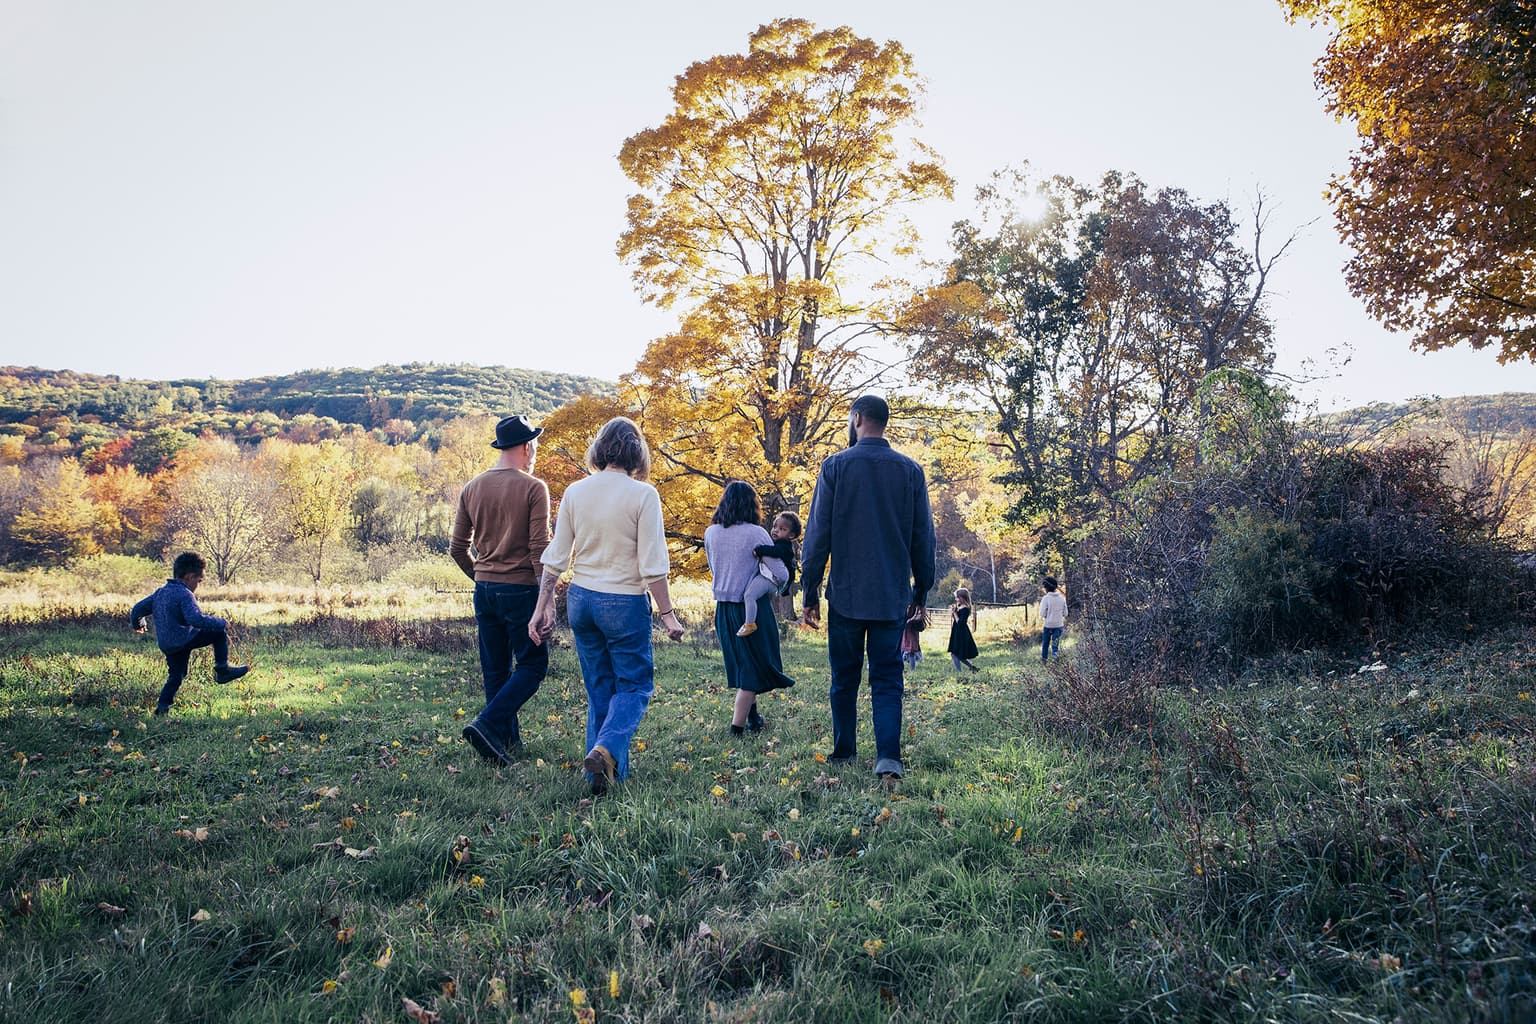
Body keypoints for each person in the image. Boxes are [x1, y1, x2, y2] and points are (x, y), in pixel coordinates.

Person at [528, 417, 684, 796]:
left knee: (600, 688)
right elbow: (652, 564)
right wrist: (667, 614)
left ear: (600, 449)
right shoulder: (643, 495)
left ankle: (603, 775)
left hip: (581, 599)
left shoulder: (576, 492)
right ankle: (606, 749)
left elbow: (556, 557)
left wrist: (542, 605)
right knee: (634, 687)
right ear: (637, 452)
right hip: (624, 602)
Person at [800, 394, 936, 787]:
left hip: (845, 593)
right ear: (883, 422)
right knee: (888, 678)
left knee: (844, 676)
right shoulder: (911, 472)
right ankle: (888, 759)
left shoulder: (835, 467)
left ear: (857, 419)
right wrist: (920, 591)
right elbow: (923, 540)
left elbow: (817, 535)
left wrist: (809, 591)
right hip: (891, 596)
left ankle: (844, 750)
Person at [452, 414, 551, 766]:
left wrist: (481, 575)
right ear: (526, 447)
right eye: (534, 445)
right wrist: (546, 598)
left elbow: (457, 548)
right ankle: (489, 724)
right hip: (521, 589)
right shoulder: (533, 487)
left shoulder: (471, 487)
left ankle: (504, 743)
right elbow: (540, 550)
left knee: (495, 670)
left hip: (485, 590)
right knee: (533, 665)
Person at [704, 482, 797, 735]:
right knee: (753, 668)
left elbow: (714, 569)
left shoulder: (711, 532)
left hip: (723, 609)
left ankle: (754, 718)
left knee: (744, 664)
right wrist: (778, 587)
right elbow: (779, 573)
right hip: (751, 610)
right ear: (751, 504)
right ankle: (737, 728)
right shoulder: (757, 533)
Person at [130, 551, 249, 716]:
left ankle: (162, 709)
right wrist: (221, 622)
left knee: (176, 676)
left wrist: (138, 623)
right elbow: (195, 619)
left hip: (168, 644)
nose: (198, 585)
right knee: (218, 632)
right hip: (184, 638)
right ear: (189, 577)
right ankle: (222, 671)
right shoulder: (185, 594)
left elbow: (137, 609)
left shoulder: (160, 592)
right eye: (199, 581)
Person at [736, 510, 802, 638]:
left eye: (782, 529)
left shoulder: (785, 545)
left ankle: (750, 623)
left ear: (791, 535)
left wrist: (759, 550)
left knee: (749, 596)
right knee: (751, 594)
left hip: (774, 579)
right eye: (774, 527)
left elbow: (775, 552)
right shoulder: (779, 542)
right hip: (772, 578)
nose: (776, 530)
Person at [947, 587, 980, 674]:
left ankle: (960, 672)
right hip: (957, 632)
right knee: (957, 654)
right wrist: (954, 611)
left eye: (957, 597)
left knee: (955, 653)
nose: (956, 599)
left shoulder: (965, 608)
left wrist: (955, 613)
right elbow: (955, 620)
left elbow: (960, 623)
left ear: (962, 597)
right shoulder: (960, 607)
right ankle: (972, 668)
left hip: (961, 633)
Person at [1040, 576, 1068, 663]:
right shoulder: (1062, 598)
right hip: (1059, 625)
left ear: (1046, 588)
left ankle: (1044, 660)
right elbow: (1065, 613)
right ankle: (1055, 660)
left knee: (1045, 644)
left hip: (1048, 625)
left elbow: (1042, 614)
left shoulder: (1046, 599)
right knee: (1055, 644)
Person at [899, 605, 927, 674]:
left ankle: (911, 670)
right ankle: (900, 668)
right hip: (906, 628)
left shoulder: (914, 605)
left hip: (911, 629)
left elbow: (920, 613)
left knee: (911, 650)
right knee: (903, 648)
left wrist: (913, 618)